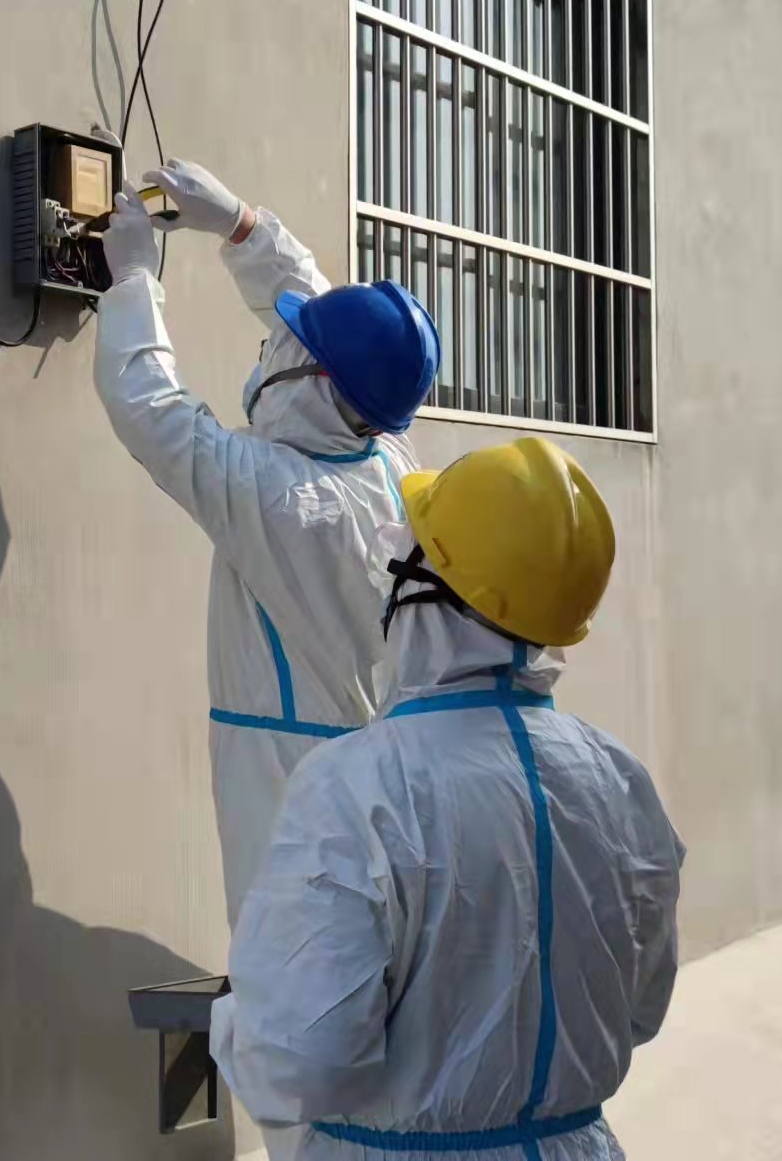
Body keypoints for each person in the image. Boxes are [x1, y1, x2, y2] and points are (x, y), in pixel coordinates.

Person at [209, 438, 683, 1161]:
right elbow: (640, 1007)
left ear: (428, 587)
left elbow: (298, 1060)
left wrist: (232, 1019)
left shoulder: (354, 785)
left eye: (408, 550)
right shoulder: (617, 778)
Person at [94, 159, 438, 924]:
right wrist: (241, 225)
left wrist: (133, 283)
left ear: (312, 379)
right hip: (371, 776)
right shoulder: (386, 460)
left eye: (286, 345)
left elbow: (151, 410)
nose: (272, 345)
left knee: (292, 964)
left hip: (289, 788)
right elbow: (339, 333)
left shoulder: (280, 498)